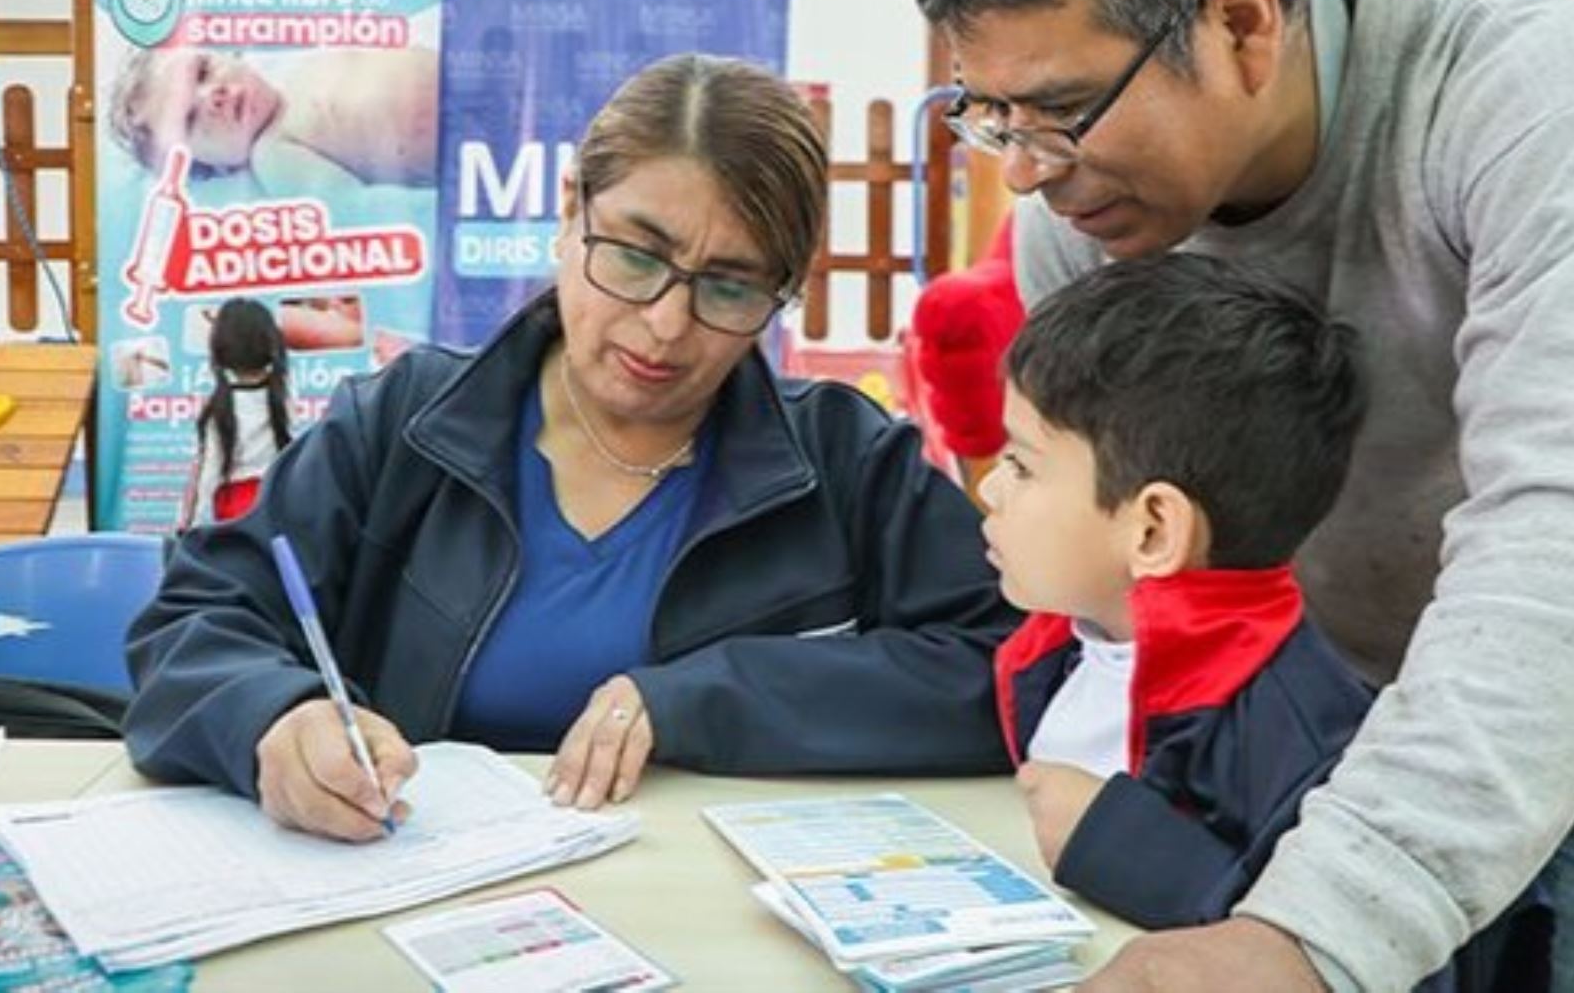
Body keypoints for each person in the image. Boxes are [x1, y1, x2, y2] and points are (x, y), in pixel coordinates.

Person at [914, 0, 1574, 990]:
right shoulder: (1085, 215)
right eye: (987, 114)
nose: (1025, 172)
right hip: (1323, 710)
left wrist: (1316, 933)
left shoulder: (1543, 92)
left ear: (1245, 21)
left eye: (1061, 112)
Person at [125, 53, 1017, 842]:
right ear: (568, 212)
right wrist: (271, 719)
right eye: (636, 256)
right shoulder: (406, 428)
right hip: (416, 905)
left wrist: (707, 696)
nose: (667, 326)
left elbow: (1002, 667)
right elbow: (195, 622)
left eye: (731, 288)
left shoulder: (846, 462)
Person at [985, 254, 1543, 989]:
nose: (990, 488)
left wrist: (1123, 846)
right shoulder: (1061, 648)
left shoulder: (1310, 738)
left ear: (1153, 530)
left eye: (1023, 465)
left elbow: (1377, 956)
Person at [107, 46, 439, 191]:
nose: (213, 97)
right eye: (190, 119)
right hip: (455, 151)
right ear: (215, 167)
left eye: (203, 71)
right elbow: (358, 208)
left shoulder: (295, 64)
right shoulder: (275, 156)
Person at [179, 297, 293, 529]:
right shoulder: (284, 397)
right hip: (279, 503)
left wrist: (187, 530)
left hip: (234, 512)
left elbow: (207, 475)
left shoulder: (220, 408)